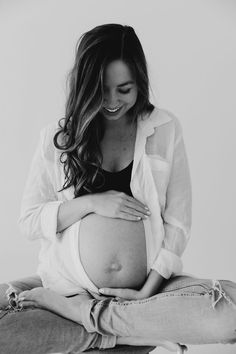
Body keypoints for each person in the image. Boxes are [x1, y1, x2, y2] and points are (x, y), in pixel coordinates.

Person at [0, 23, 236, 354]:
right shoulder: (58, 138)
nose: (112, 101)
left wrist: (146, 291)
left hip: (148, 293)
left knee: (230, 312)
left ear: (139, 82)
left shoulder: (164, 128)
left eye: (124, 89)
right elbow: (28, 220)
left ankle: (86, 319)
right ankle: (114, 327)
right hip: (69, 286)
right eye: (101, 90)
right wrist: (92, 203)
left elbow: (178, 223)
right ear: (85, 87)